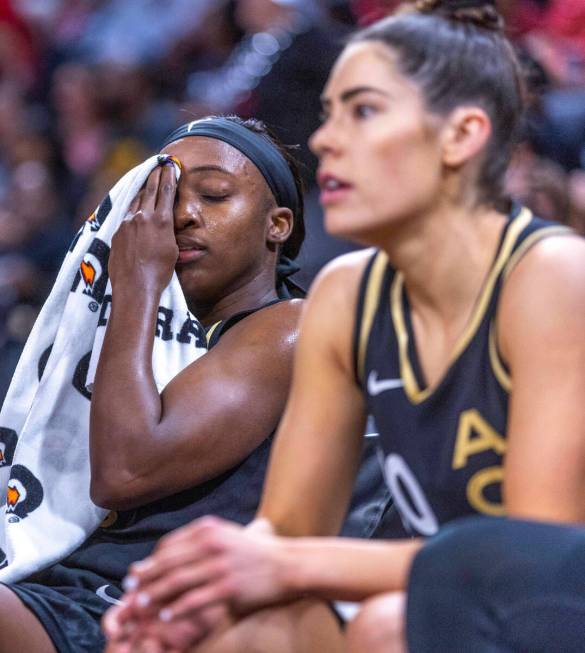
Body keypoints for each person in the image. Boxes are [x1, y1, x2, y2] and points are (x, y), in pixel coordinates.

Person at [109, 1, 585, 652]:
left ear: (460, 135)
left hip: (552, 593)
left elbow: (534, 555)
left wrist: (285, 563)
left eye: (361, 110)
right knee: (225, 629)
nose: (326, 138)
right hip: (447, 598)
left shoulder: (551, 274)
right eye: (328, 112)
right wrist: (185, 588)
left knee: (387, 626)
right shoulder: (344, 291)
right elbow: (287, 529)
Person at [0, 115, 309, 653]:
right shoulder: (176, 341)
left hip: (133, 608)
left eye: (214, 196)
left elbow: (124, 471)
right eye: (167, 200)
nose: (183, 216)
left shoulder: (291, 327)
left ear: (276, 225)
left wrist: (137, 282)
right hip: (73, 587)